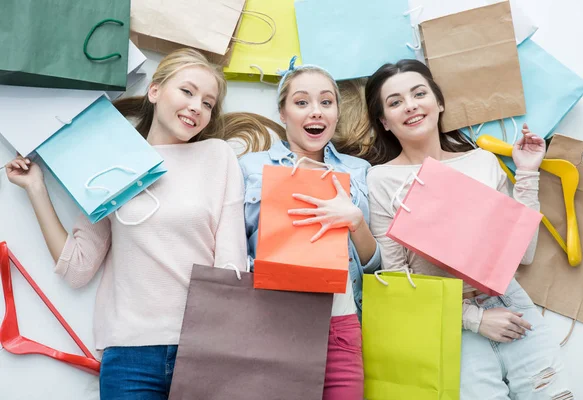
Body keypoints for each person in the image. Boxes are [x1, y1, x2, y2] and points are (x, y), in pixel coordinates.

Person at [5, 48, 246, 399]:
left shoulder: (217, 156)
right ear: (155, 90)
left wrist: (217, 344)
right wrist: (36, 189)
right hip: (129, 356)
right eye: (188, 91)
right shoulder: (113, 160)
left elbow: (231, 265)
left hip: (203, 349)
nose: (197, 107)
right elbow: (78, 269)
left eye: (208, 103)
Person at [364, 59, 572, 399]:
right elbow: (398, 279)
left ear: (439, 102)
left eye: (419, 93)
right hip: (449, 321)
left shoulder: (481, 161)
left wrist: (527, 173)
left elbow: (523, 255)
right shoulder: (381, 179)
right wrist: (474, 320)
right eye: (395, 101)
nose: (411, 105)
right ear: (385, 122)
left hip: (513, 305)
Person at [222, 57, 381, 400]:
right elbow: (231, 250)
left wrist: (354, 221)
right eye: (301, 102)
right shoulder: (250, 168)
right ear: (283, 113)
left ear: (337, 112)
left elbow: (376, 266)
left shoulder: (361, 172)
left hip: (340, 324)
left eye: (326, 102)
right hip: (272, 323)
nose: (316, 112)